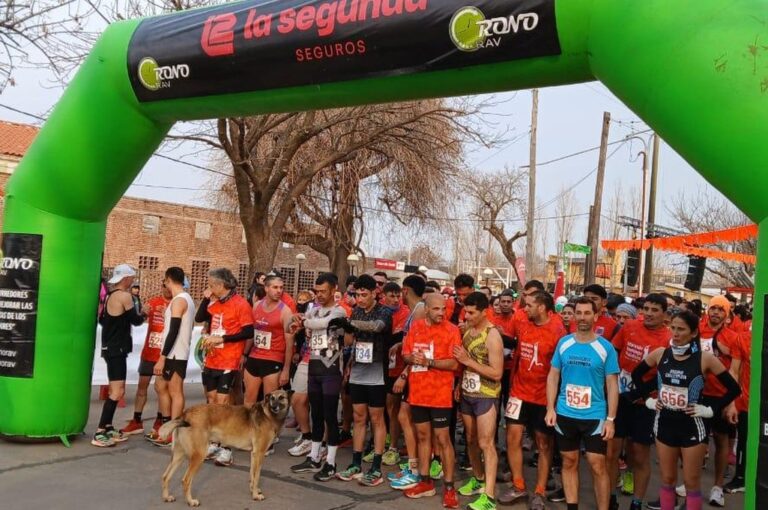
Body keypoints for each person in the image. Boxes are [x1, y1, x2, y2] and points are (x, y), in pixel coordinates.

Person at [631, 310, 741, 510]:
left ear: (693, 333)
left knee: (691, 482)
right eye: (672, 328)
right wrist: (648, 399)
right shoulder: (660, 354)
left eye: (681, 329)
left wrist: (711, 409)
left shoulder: (705, 359)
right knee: (667, 479)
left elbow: (734, 388)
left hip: (692, 426)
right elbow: (637, 376)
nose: (675, 333)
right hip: (664, 423)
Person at [545, 297, 620, 510]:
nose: (582, 317)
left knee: (597, 465)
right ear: (573, 315)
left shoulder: (605, 348)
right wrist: (550, 408)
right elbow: (553, 376)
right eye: (579, 313)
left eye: (588, 313)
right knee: (569, 462)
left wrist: (611, 419)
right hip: (565, 413)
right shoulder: (564, 343)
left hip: (594, 415)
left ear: (596, 316)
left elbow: (613, 385)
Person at [499, 291, 566, 509]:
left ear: (542, 307)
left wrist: (554, 402)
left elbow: (560, 369)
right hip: (519, 392)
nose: (524, 309)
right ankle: (518, 485)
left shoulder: (558, 331)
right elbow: (517, 352)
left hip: (543, 397)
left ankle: (539, 491)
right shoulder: (523, 325)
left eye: (528, 305)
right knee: (512, 438)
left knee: (544, 445)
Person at [607, 293, 672, 510]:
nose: (649, 314)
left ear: (665, 315)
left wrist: (641, 393)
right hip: (621, 398)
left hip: (647, 403)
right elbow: (613, 354)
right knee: (612, 451)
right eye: (646, 309)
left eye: (655, 310)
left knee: (639, 454)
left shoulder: (668, 339)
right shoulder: (629, 327)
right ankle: (610, 497)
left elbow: (666, 374)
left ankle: (636, 503)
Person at [400, 293, 462, 508]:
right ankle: (425, 481)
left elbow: (455, 364)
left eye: (444, 309)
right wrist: (412, 359)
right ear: (426, 309)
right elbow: (405, 354)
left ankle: (449, 487)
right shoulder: (415, 327)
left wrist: (430, 362)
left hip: (440, 395)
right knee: (423, 436)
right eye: (436, 309)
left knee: (443, 439)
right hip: (418, 392)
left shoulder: (452, 330)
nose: (441, 313)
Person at [334, 274, 393, 486]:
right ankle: (356, 463)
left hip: (377, 372)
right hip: (358, 369)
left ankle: (376, 466)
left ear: (374, 293)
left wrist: (351, 323)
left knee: (376, 418)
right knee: (359, 417)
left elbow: (377, 327)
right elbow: (351, 340)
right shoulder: (356, 311)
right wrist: (346, 330)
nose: (360, 299)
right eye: (357, 295)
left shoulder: (384, 311)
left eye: (364, 294)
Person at [290, 273, 347, 481]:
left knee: (330, 416)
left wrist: (305, 320)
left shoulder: (338, 310)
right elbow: (293, 323)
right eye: (317, 291)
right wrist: (296, 319)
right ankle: (314, 456)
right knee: (316, 414)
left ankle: (331, 462)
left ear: (334, 290)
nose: (319, 295)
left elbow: (323, 324)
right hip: (314, 366)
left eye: (324, 291)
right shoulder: (312, 310)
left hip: (331, 369)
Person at [194, 267, 254, 466]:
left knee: (223, 402)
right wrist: (205, 298)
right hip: (212, 358)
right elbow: (200, 317)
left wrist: (223, 338)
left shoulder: (240, 304)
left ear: (222, 285)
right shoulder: (214, 302)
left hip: (228, 359)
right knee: (211, 401)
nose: (209, 287)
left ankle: (227, 447)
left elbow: (248, 332)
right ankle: (214, 441)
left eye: (212, 285)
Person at [454, 292, 504, 510]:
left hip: (486, 394)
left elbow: (497, 373)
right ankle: (478, 478)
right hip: (467, 392)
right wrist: (460, 383)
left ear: (485, 312)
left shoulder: (492, 335)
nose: (467, 315)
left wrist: (467, 361)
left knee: (486, 443)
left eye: (472, 312)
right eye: (466, 311)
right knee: (471, 439)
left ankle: (490, 497)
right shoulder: (468, 330)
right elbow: (466, 364)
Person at [93, 264, 146, 447]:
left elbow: (102, 319)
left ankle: (107, 427)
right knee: (117, 391)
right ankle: (100, 431)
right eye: (131, 278)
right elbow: (136, 320)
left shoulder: (109, 295)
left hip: (112, 348)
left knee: (118, 389)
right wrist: (146, 313)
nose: (133, 281)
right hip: (117, 349)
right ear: (125, 279)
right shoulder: (125, 296)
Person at [696, 295, 741, 507]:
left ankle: (717, 487)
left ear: (727, 314)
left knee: (722, 441)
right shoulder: (696, 331)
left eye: (720, 310)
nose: (715, 313)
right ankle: (690, 484)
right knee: (696, 441)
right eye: (713, 308)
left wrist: (732, 402)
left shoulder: (733, 337)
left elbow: (735, 371)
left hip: (721, 395)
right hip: (698, 394)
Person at [389, 274, 427, 489]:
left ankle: (416, 469)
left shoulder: (420, 310)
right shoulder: (415, 311)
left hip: (416, 372)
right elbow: (409, 341)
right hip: (411, 368)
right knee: (406, 417)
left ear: (405, 290)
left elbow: (420, 346)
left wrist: (405, 374)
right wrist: (399, 346)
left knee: (408, 418)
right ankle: (413, 466)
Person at [151, 267, 196, 446]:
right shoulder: (184, 300)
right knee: (160, 386)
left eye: (165, 281)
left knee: (175, 391)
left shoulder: (179, 300)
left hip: (175, 353)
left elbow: (174, 330)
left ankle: (174, 433)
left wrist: (163, 357)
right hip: (175, 351)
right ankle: (166, 425)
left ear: (168, 280)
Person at [121, 284, 171, 439]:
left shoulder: (176, 304)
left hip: (164, 355)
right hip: (149, 352)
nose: (166, 289)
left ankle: (159, 420)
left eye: (169, 286)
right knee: (141, 387)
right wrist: (142, 313)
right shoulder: (154, 302)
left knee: (161, 389)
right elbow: (139, 319)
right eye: (164, 285)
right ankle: (136, 420)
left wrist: (168, 316)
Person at [245, 275, 294, 407]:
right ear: (266, 288)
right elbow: (251, 333)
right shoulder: (256, 306)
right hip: (254, 357)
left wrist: (286, 369)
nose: (279, 291)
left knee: (270, 404)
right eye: (275, 287)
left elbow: (290, 343)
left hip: (273, 359)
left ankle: (270, 428)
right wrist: (244, 354)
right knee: (249, 403)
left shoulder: (285, 311)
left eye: (281, 288)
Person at [382, 281, 411, 467]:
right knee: (382, 407)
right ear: (383, 296)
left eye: (397, 296)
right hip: (381, 365)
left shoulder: (407, 313)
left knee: (395, 407)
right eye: (391, 296)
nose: (394, 300)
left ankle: (394, 447)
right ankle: (382, 443)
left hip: (400, 367)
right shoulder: (380, 311)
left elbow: (401, 337)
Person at [725, 320, 751, 494]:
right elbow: (734, 371)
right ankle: (740, 478)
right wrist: (732, 402)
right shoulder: (743, 338)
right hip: (747, 403)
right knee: (744, 441)